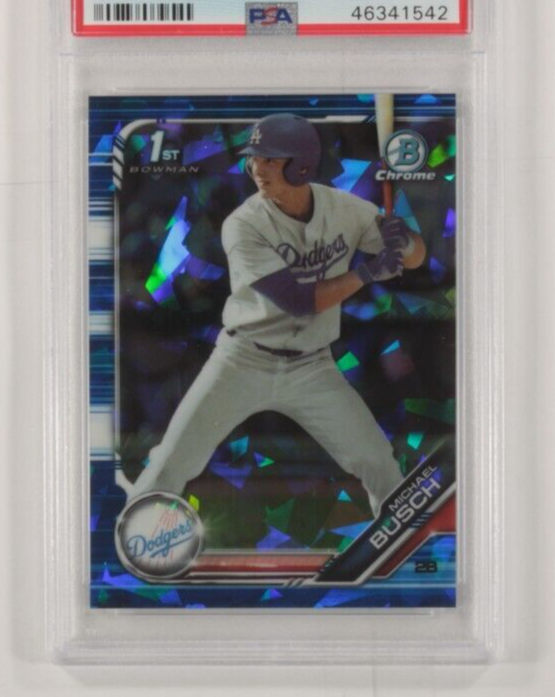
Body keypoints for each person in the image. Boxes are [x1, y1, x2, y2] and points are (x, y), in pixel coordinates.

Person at [127, 114, 426, 516]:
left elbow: (416, 257)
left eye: (270, 159)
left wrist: (404, 241)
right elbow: (298, 300)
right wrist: (368, 272)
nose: (256, 167)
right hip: (242, 361)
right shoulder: (243, 223)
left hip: (312, 367)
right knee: (171, 461)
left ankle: (402, 542)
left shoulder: (344, 208)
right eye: (254, 158)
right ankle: (133, 536)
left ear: (301, 164)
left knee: (378, 460)